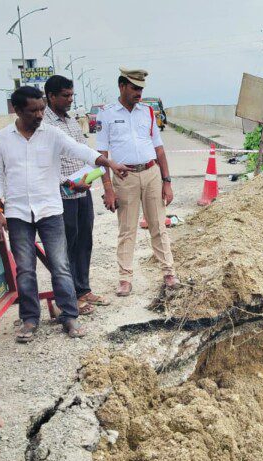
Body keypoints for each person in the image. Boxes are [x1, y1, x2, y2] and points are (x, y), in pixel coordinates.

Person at [0, 86, 130, 342]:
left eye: (42, 108)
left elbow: (82, 151)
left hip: (50, 209)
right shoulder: (2, 139)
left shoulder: (52, 134)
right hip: (17, 213)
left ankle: (69, 316)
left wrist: (109, 164)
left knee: (61, 265)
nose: (40, 114)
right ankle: (30, 319)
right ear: (17, 110)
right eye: (33, 111)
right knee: (25, 269)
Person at [96, 68, 179, 296]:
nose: (139, 93)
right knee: (127, 230)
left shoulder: (148, 112)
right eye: (134, 88)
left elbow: (159, 149)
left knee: (158, 226)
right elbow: (101, 155)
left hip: (151, 173)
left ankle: (169, 273)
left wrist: (167, 181)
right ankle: (125, 278)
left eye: (141, 88)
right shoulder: (107, 114)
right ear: (122, 86)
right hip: (125, 178)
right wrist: (108, 189)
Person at [44, 75, 109, 315]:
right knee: (66, 246)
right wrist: (69, 185)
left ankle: (83, 289)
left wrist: (92, 174)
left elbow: (83, 152)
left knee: (84, 241)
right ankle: (69, 298)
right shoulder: (45, 125)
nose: (70, 100)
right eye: (65, 95)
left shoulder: (72, 122)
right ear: (51, 96)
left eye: (72, 95)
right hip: (62, 195)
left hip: (83, 192)